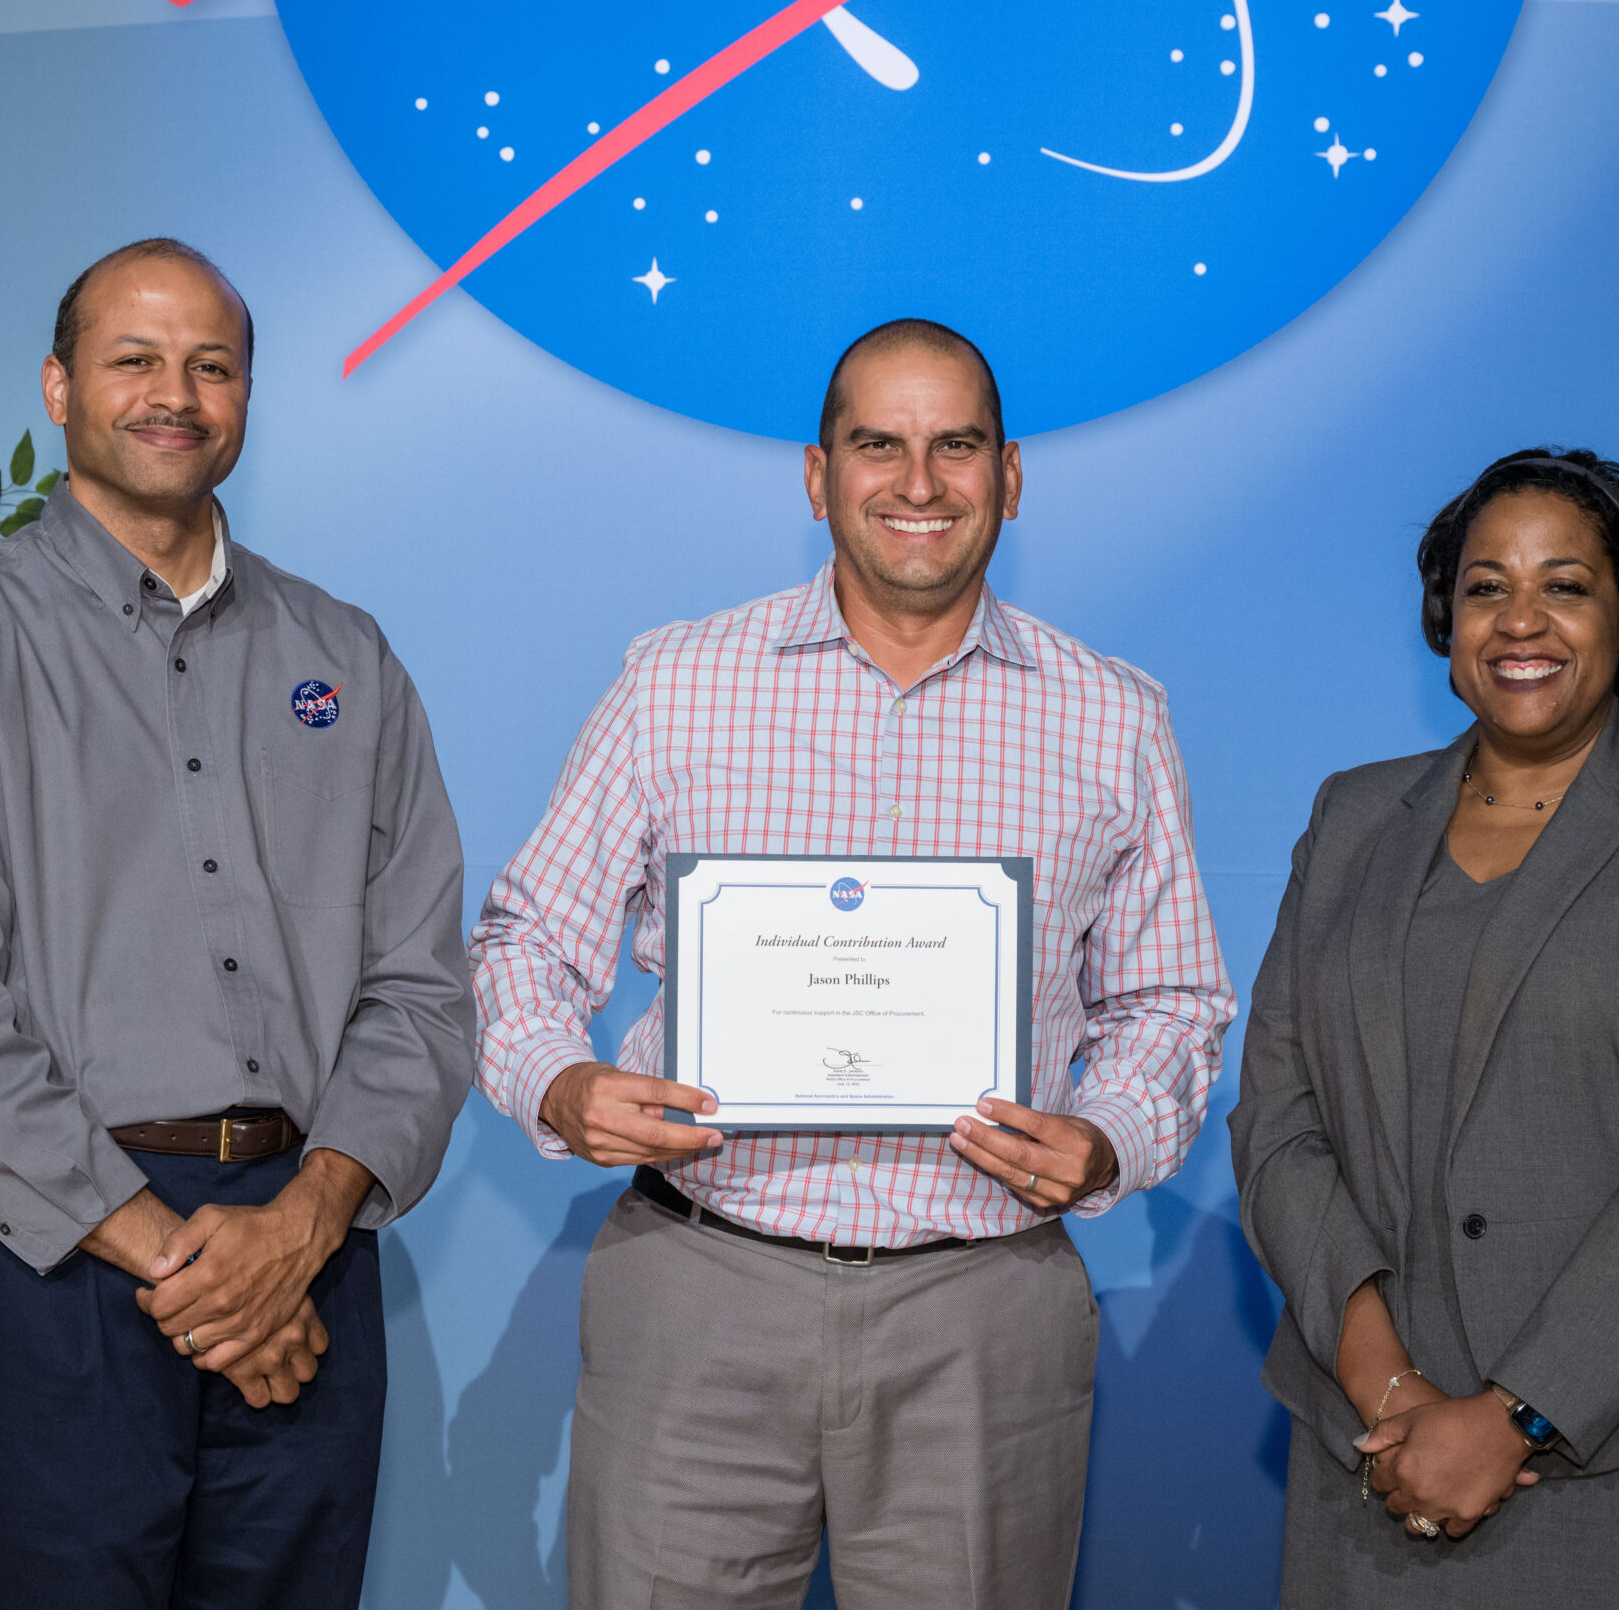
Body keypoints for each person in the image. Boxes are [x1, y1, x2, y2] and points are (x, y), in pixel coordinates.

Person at [472, 318, 1236, 1610]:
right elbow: (523, 941)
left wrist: (1108, 1137)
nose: (920, 483)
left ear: (1011, 475)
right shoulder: (676, 686)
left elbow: (1171, 1004)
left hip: (982, 1311)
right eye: (878, 444)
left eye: (959, 446)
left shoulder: (1113, 716)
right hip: (703, 1285)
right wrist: (560, 1085)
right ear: (818, 477)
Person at [0, 238, 475, 1610]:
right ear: (61, 387)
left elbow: (424, 982)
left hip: (316, 1244)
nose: (173, 392)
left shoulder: (346, 656)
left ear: (246, 396)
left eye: (211, 364)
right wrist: (190, 1267)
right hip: (66, 1260)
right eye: (134, 359)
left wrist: (299, 1230)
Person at [1230, 448, 1619, 1608]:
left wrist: (1514, 1411)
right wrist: (1391, 1390)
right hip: (1378, 1457)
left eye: (1564, 584)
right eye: (1483, 585)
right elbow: (1277, 1113)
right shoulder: (1353, 813)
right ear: (1443, 617)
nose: (1520, 619)